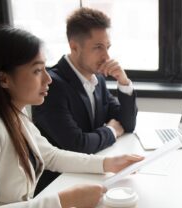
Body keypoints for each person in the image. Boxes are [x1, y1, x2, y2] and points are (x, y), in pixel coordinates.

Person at [0, 25, 143, 207]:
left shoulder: (16, 113)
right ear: (3, 79)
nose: (48, 79)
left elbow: (50, 156)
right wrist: (64, 200)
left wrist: (108, 163)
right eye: (37, 71)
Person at [32, 7, 138, 193]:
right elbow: (76, 145)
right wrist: (111, 131)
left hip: (90, 172)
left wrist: (124, 81)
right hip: (59, 185)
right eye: (98, 47)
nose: (106, 56)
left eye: (107, 47)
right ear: (74, 46)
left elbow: (127, 124)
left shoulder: (97, 79)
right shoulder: (53, 86)